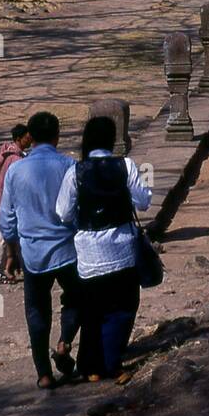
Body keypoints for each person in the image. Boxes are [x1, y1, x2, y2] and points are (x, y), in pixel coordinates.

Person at [56, 115, 152, 383]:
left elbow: (62, 212)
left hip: (89, 254)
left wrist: (81, 222)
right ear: (112, 140)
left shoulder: (76, 172)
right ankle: (112, 363)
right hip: (122, 250)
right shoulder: (126, 166)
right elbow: (144, 201)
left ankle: (91, 367)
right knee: (122, 307)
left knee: (93, 310)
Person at [0, 111, 81, 389]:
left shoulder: (16, 171)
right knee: (77, 299)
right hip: (67, 250)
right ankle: (64, 342)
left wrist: (12, 253)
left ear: (29, 137)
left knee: (36, 311)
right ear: (57, 136)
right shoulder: (70, 166)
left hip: (32, 254)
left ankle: (43, 373)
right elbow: (78, 211)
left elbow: (7, 220)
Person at [0, 123, 31, 281]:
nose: (29, 140)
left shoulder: (7, 152)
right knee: (3, 236)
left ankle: (15, 267)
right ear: (18, 139)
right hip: (8, 203)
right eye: (27, 138)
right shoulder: (16, 158)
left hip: (3, 200)